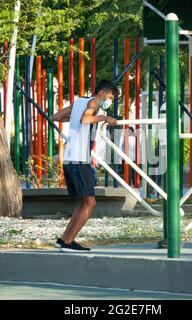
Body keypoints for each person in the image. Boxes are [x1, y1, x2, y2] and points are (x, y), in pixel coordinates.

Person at [52, 80, 119, 252]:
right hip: (80, 159)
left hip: (70, 158)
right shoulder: (95, 101)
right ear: (102, 93)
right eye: (110, 97)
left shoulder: (79, 102)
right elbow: (85, 119)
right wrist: (105, 117)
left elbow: (56, 117)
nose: (109, 101)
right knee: (90, 203)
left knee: (84, 203)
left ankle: (65, 239)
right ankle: (68, 242)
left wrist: (75, 117)